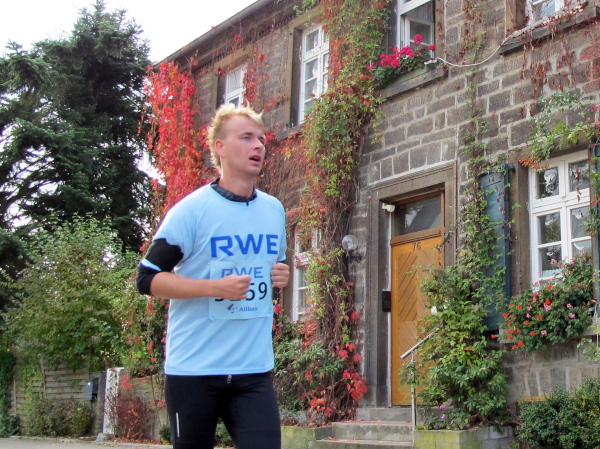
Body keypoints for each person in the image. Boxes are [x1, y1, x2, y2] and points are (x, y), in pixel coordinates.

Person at [136, 103, 290, 449]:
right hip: (194, 370)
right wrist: (213, 287)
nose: (258, 146)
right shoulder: (192, 211)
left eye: (261, 140)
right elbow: (146, 279)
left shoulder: (273, 210)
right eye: (246, 138)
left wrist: (279, 276)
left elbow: (272, 270)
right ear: (220, 147)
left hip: (252, 370)